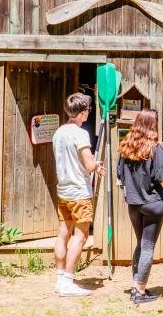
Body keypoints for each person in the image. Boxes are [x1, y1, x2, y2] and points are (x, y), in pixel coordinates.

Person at [53, 92, 106, 297]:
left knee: (63, 232)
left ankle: (60, 278)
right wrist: (96, 165)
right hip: (79, 191)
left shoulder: (59, 132)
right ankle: (68, 281)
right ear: (83, 113)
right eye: (87, 111)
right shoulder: (80, 133)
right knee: (81, 236)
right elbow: (88, 164)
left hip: (63, 190)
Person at [117, 109, 163, 304]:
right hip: (153, 204)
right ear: (152, 125)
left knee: (141, 245)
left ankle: (136, 285)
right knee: (148, 247)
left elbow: (120, 177)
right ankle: (139, 292)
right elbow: (162, 178)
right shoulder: (155, 149)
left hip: (133, 204)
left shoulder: (125, 148)